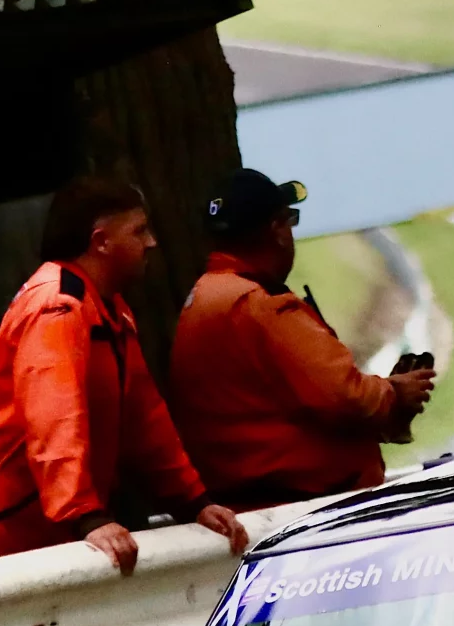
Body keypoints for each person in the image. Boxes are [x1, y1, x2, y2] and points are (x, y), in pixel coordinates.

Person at [0, 177, 248, 576]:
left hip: (43, 535)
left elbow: (145, 421)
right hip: (1, 545)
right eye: (139, 230)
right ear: (101, 241)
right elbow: (54, 422)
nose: (152, 242)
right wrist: (86, 516)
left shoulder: (107, 309)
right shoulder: (58, 307)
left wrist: (194, 502)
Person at [170, 169, 436, 507]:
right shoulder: (261, 304)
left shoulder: (207, 295)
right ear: (277, 231)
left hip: (256, 502)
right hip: (307, 505)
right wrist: (396, 392)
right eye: (289, 221)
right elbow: (343, 397)